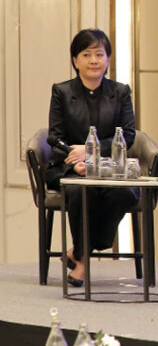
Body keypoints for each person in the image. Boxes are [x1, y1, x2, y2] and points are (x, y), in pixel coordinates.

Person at [46, 29, 138, 288]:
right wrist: (76, 161)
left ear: (108, 59)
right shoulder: (62, 92)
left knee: (126, 193)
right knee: (79, 191)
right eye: (86, 55)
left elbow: (128, 135)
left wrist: (90, 154)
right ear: (75, 60)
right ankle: (83, 264)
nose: (94, 60)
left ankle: (79, 251)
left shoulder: (120, 92)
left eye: (100, 54)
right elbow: (54, 137)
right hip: (69, 168)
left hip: (108, 168)